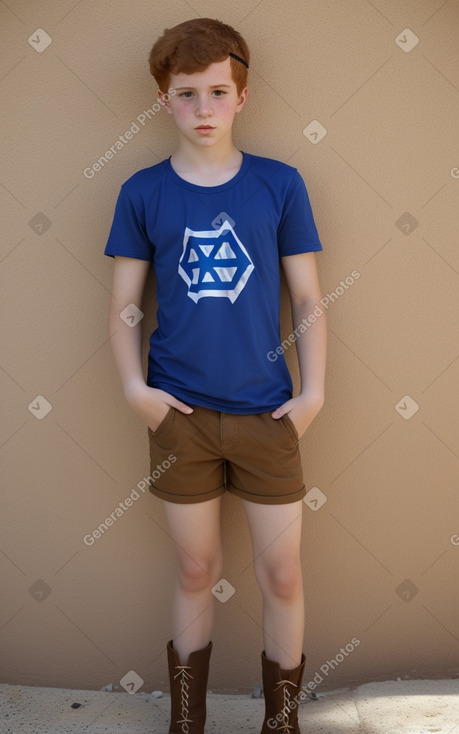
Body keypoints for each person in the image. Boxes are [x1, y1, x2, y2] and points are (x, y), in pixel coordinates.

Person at [104, 17, 326, 734]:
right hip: (181, 418)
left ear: (242, 95)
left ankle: (281, 722)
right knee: (195, 571)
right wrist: (137, 392)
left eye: (217, 92)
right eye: (186, 93)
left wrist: (312, 393)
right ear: (164, 100)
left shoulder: (279, 185)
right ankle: (186, 723)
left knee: (281, 575)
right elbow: (124, 308)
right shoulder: (142, 193)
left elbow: (308, 301)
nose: (203, 109)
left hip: (268, 414)